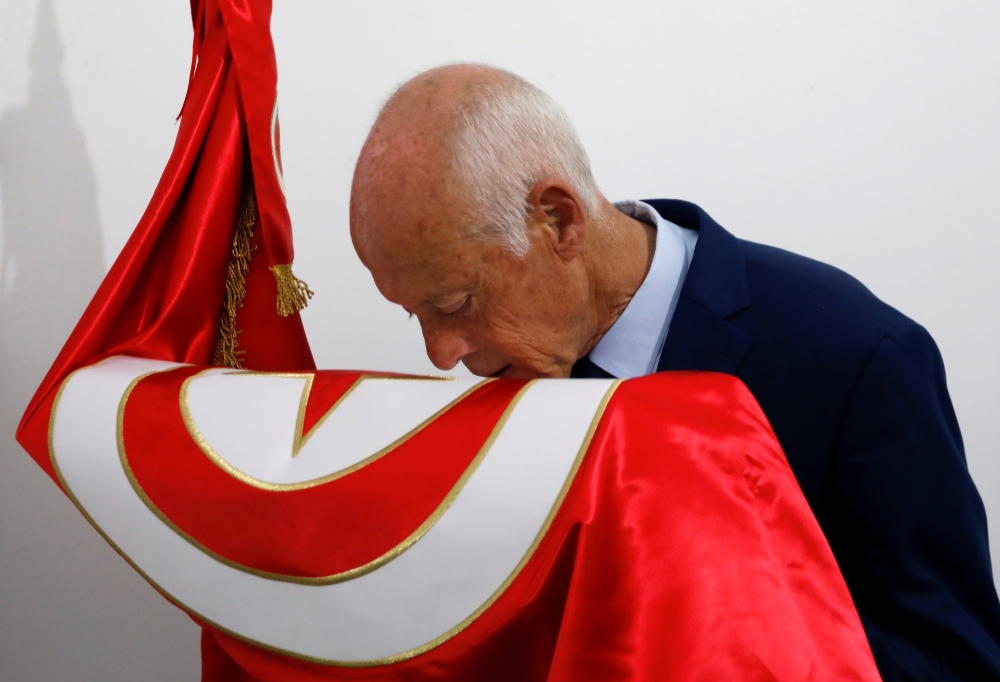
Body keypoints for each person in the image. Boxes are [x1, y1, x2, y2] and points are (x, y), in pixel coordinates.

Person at [350, 63, 1000, 680]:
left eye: (455, 304)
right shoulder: (508, 378)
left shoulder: (861, 357)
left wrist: (735, 620)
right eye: (416, 316)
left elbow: (957, 663)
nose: (441, 356)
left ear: (558, 218)